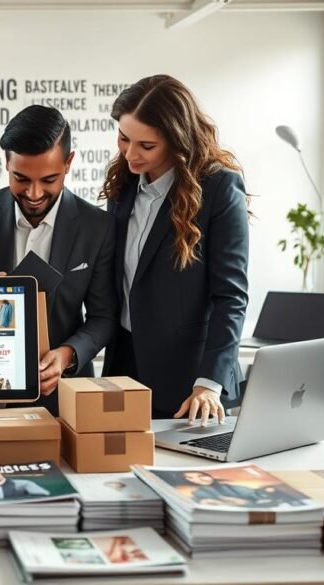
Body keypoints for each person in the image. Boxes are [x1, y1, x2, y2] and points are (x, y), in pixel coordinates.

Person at [100, 75, 249, 425]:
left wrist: (209, 384)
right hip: (124, 365)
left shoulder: (219, 188)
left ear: (176, 138)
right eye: (124, 138)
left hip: (190, 380)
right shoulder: (122, 184)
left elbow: (231, 296)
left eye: (146, 145)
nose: (130, 154)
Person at [0, 105, 117, 416]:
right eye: (20, 178)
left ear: (69, 162)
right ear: (6, 162)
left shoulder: (97, 226)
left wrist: (67, 356)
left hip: (65, 399)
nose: (34, 193)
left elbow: (104, 316)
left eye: (49, 179)